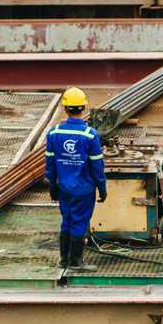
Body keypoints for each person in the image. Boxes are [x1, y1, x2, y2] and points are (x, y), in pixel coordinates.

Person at [44, 87, 107, 273]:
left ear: (65, 109)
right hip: (83, 189)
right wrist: (102, 188)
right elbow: (97, 167)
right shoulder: (90, 135)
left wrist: (52, 185)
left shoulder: (54, 133)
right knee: (79, 221)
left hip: (64, 187)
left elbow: (50, 162)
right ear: (84, 108)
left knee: (67, 220)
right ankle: (76, 262)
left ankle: (63, 260)